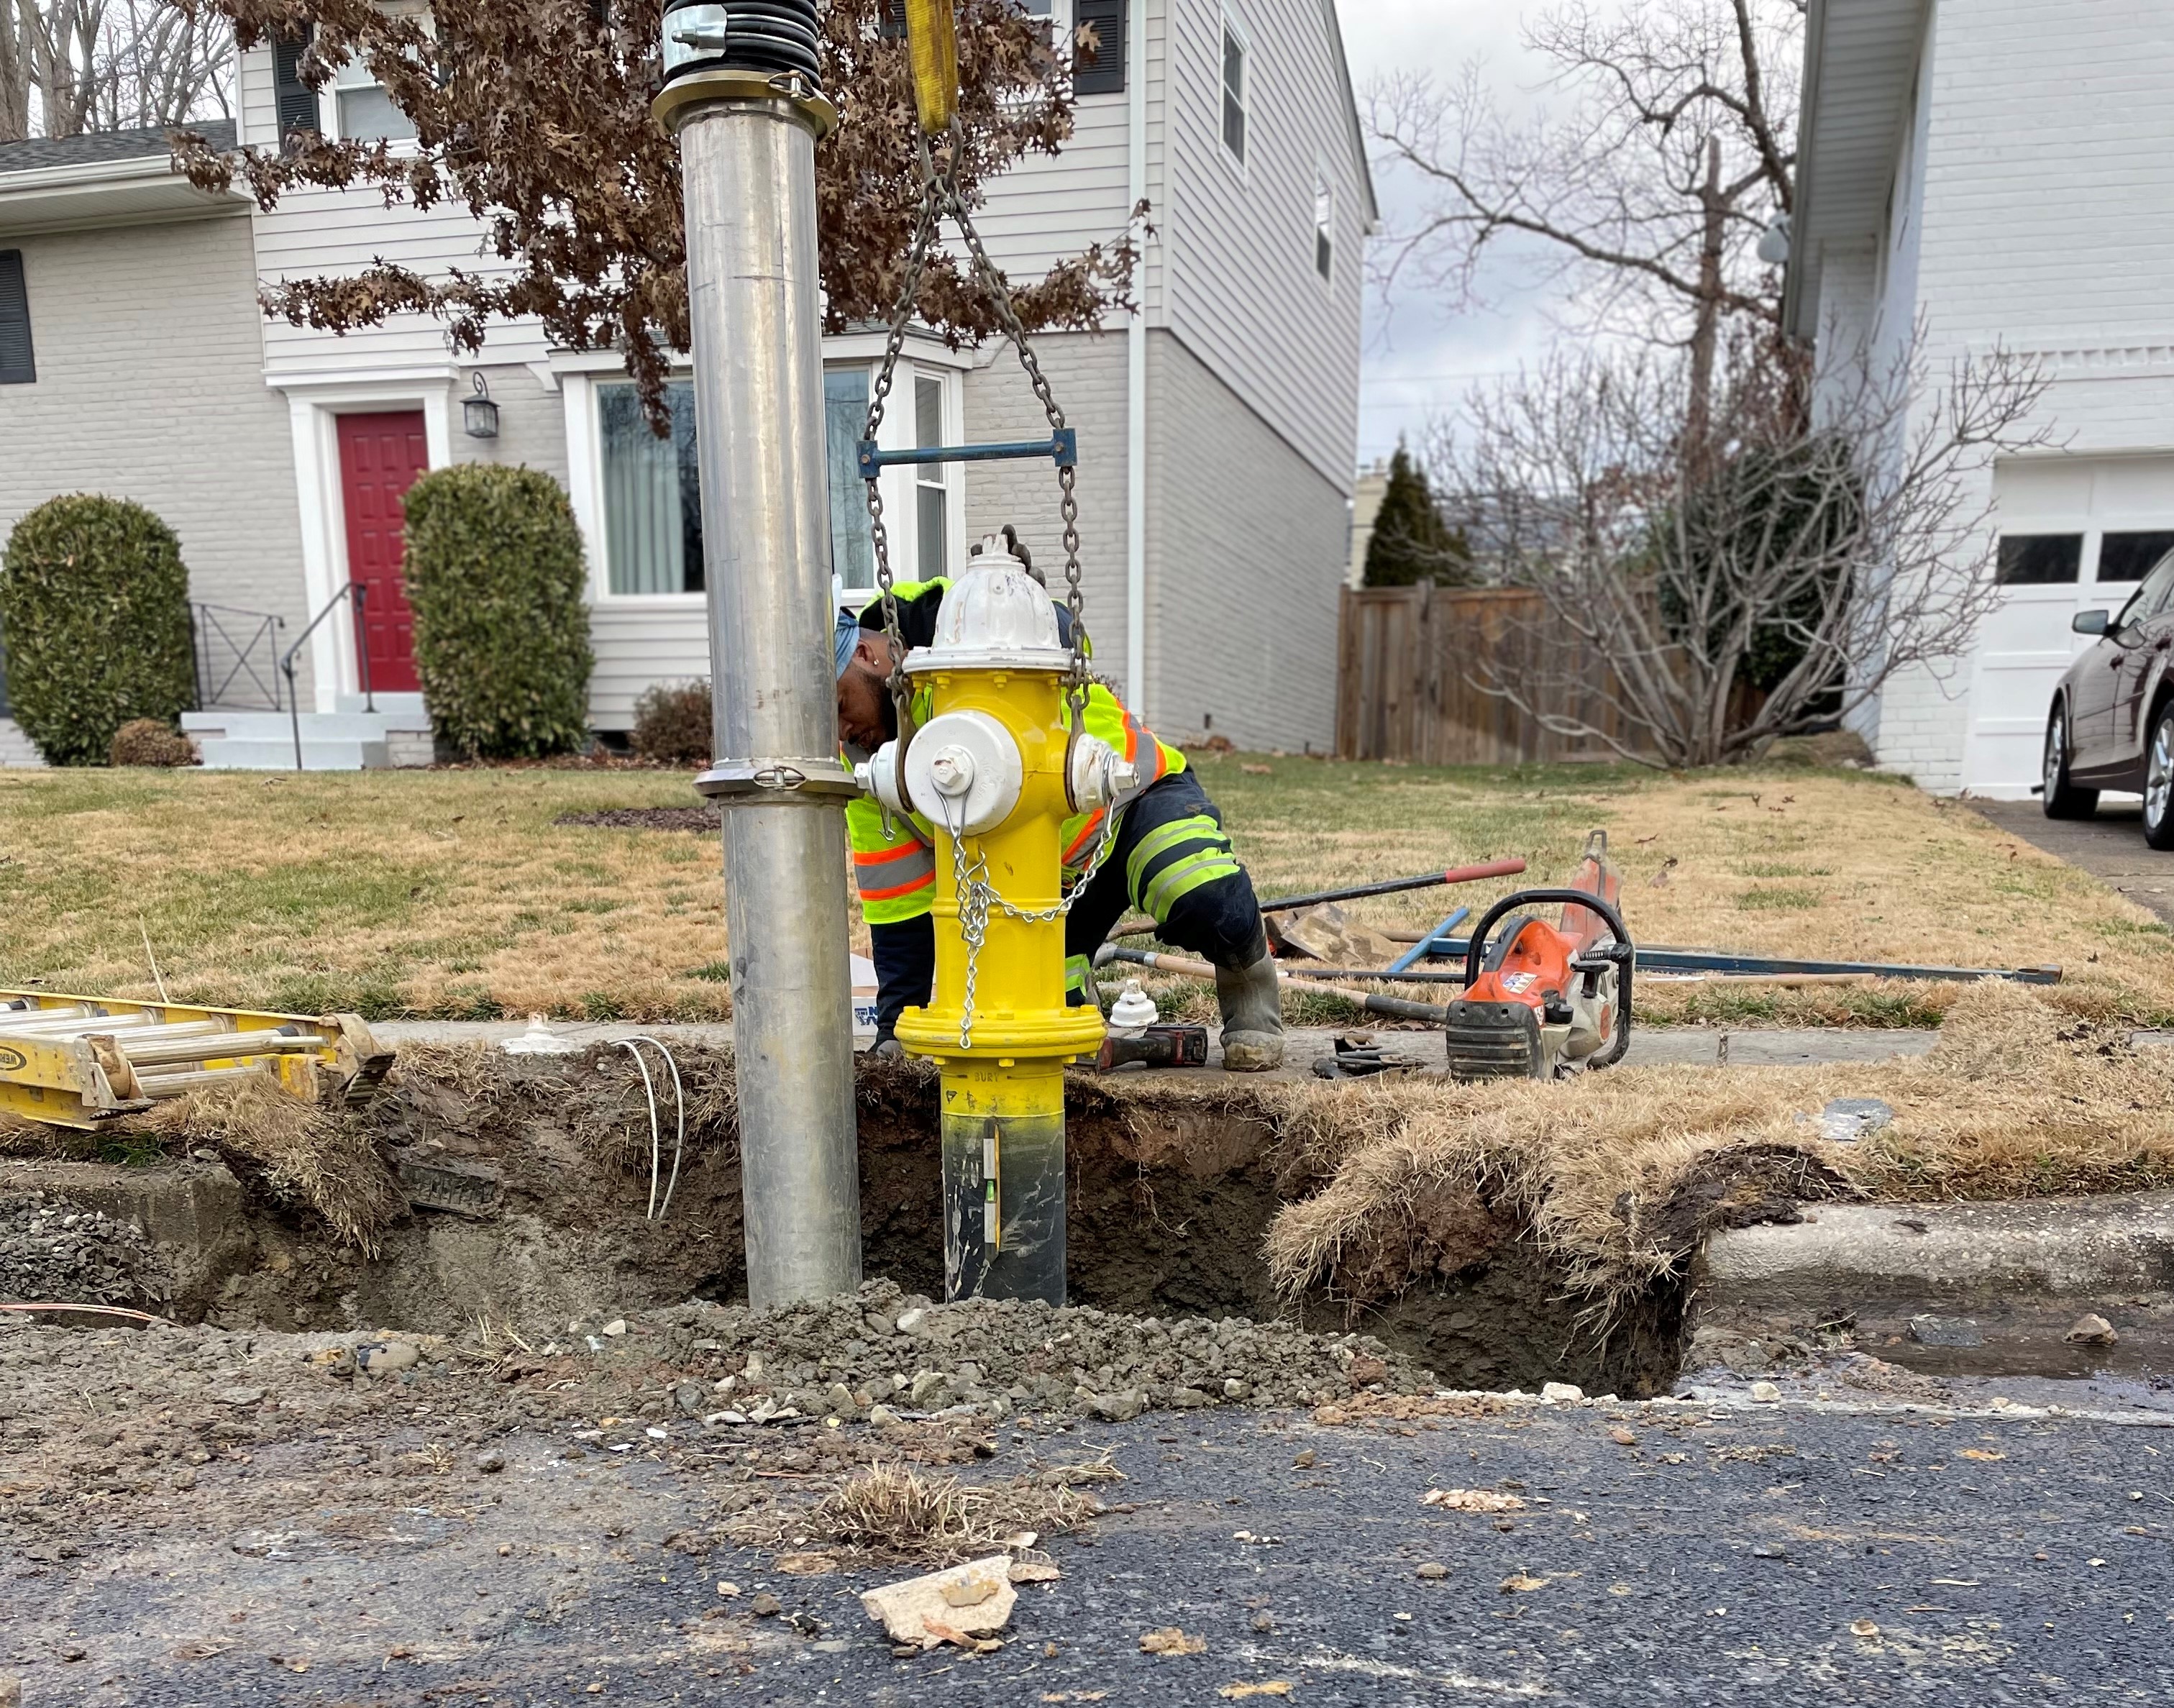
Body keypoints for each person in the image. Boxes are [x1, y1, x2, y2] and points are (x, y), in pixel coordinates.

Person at [836, 559, 1285, 1071]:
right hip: (1045, 884)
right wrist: (894, 1031)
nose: (842, 730)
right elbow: (901, 911)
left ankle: (1247, 980)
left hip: (1137, 803)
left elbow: (1071, 640)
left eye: (839, 703)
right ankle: (1078, 992)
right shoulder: (874, 769)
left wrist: (1050, 617)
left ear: (869, 654)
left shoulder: (976, 646)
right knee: (1041, 1036)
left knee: (1205, 895)